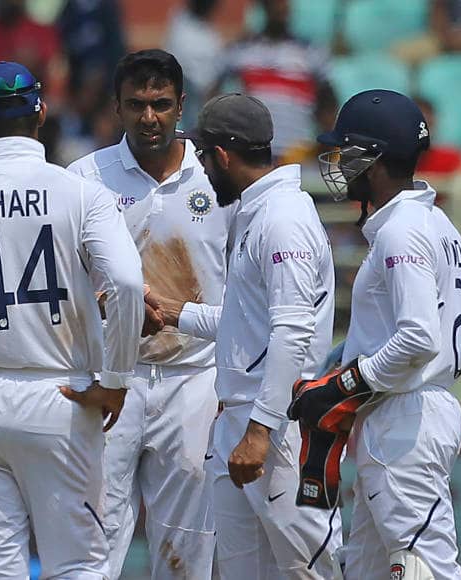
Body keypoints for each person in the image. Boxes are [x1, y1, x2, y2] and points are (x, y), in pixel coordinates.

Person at [0, 61, 144, 579]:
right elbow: (128, 284)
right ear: (41, 112)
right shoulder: (80, 193)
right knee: (77, 564)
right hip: (60, 395)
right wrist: (116, 380)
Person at [148, 94, 342, 578]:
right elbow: (245, 324)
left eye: (203, 155)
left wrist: (259, 430)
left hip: (280, 426)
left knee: (310, 570)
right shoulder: (258, 212)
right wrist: (173, 314)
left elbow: (292, 330)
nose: (200, 167)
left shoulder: (283, 219)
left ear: (223, 155)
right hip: (247, 420)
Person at [290, 89, 461, 579]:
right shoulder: (436, 223)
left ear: (372, 160)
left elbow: (419, 338)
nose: (337, 163)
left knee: (424, 568)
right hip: (410, 410)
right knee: (366, 570)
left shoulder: (401, 231)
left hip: (404, 418)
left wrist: (344, 384)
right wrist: (346, 358)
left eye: (345, 151)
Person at [67, 49, 234, 579]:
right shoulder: (84, 177)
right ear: (116, 107)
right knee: (93, 542)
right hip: (110, 377)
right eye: (136, 104)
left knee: (186, 551)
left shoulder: (217, 177)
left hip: (194, 379)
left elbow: (244, 283)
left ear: (181, 105)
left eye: (160, 104)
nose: (149, 117)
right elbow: (61, 280)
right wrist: (110, 306)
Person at [212, 0, 336, 159]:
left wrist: (327, 143)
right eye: (275, 3)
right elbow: (213, 93)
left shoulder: (311, 52)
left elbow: (327, 103)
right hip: (253, 150)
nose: (280, 7)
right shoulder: (242, 50)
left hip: (297, 151)